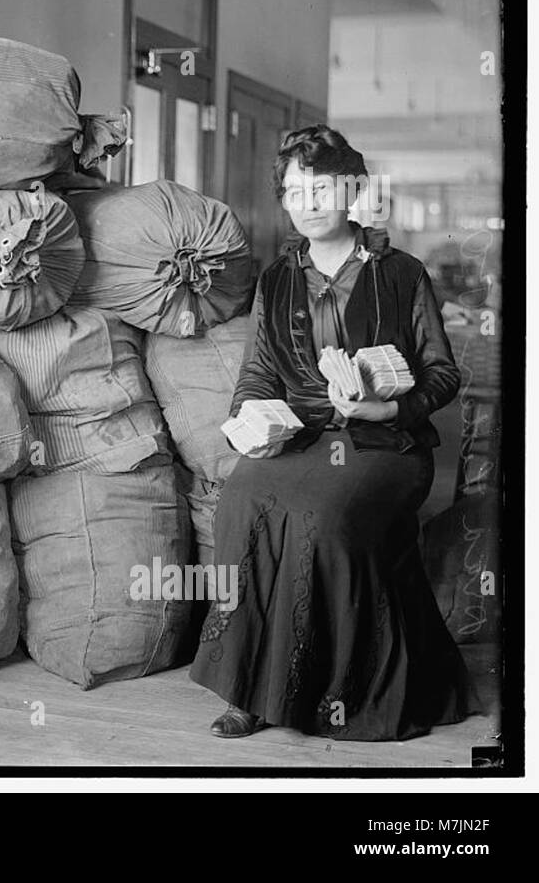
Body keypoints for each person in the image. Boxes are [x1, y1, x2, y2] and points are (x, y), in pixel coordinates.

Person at [188, 125, 472, 742]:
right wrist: (249, 425)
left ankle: (321, 691)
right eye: (294, 192)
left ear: (352, 193)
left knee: (323, 517)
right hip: (305, 438)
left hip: (385, 446)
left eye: (322, 189)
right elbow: (258, 373)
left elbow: (444, 374)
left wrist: (386, 411)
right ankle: (250, 689)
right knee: (242, 500)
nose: (308, 204)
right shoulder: (277, 280)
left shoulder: (400, 273)